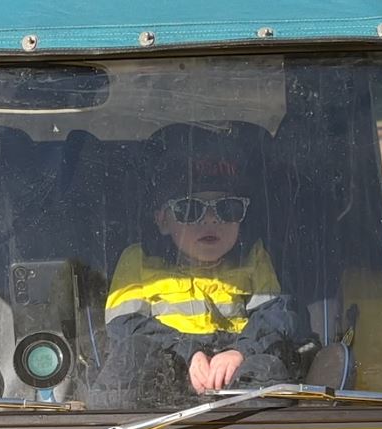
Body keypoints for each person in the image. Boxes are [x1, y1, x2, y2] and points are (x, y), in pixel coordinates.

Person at [87, 124, 311, 409]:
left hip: (232, 369)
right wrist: (188, 352)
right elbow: (124, 326)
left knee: (270, 369)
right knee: (129, 359)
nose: (211, 220)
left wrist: (240, 352)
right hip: (167, 363)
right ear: (162, 220)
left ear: (242, 217)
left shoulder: (253, 256)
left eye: (227, 208)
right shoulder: (138, 260)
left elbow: (275, 315)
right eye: (190, 209)